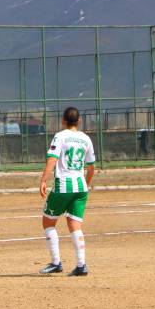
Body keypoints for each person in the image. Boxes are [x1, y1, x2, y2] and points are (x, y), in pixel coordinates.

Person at [39, 107, 97, 276]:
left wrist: (43, 180)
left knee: (48, 222)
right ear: (79, 121)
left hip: (63, 185)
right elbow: (92, 167)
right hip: (80, 187)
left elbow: (52, 158)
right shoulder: (86, 139)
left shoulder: (61, 136)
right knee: (74, 225)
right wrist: (85, 184)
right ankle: (81, 265)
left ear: (63, 120)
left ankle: (56, 263)